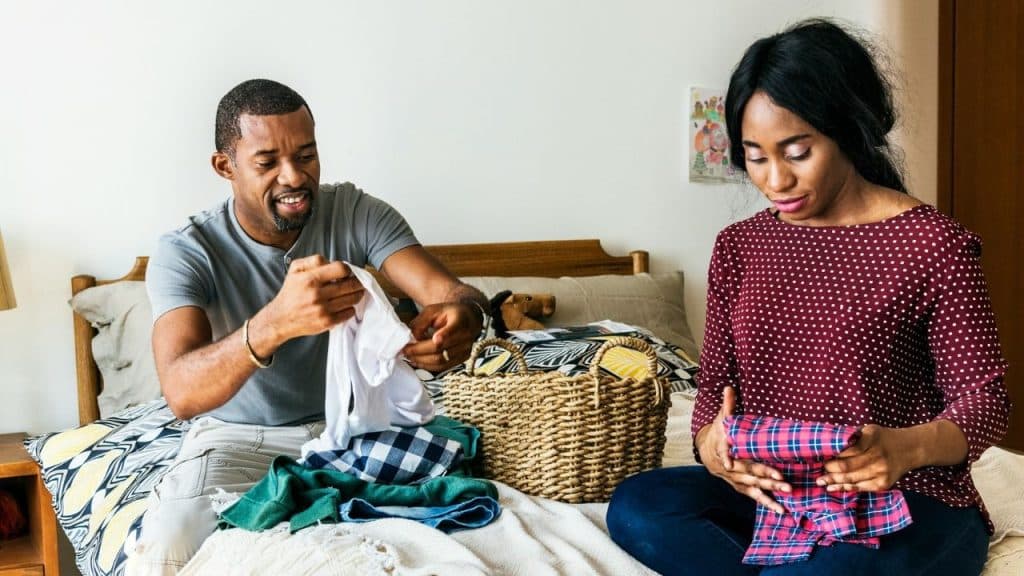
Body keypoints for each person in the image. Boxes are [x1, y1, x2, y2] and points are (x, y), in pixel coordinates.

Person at [606, 19, 1009, 576]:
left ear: (847, 130)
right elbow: (711, 398)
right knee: (638, 506)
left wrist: (903, 449)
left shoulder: (931, 243)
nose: (775, 180)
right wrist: (716, 455)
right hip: (777, 492)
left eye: (797, 152)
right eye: (755, 156)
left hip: (909, 498)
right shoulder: (740, 247)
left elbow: (987, 401)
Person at [127, 79, 489, 575]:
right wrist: (273, 324)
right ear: (224, 166)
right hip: (238, 438)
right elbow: (180, 391)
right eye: (267, 162)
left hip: (360, 428)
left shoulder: (356, 212)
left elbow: (452, 294)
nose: (294, 177)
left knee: (474, 501)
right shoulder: (186, 252)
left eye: (306, 155)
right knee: (166, 550)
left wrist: (463, 319)